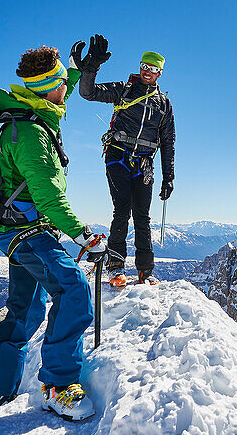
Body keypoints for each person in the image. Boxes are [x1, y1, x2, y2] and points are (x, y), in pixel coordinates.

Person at [0, 44, 106, 421]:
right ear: (50, 86)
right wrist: (83, 235)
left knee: (25, 307)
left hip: (12, 227)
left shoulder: (27, 113)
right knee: (73, 288)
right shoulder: (31, 133)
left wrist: (78, 69)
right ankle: (59, 386)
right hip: (27, 230)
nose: (68, 87)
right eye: (64, 81)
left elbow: (57, 97)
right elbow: (47, 196)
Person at [75, 35, 175, 286]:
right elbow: (88, 93)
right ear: (140, 67)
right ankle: (116, 267)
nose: (147, 72)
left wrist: (169, 176)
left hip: (144, 163)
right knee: (122, 210)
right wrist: (92, 67)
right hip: (118, 155)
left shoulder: (163, 104)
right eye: (144, 66)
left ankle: (145, 271)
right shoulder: (124, 89)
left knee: (142, 215)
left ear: (160, 73)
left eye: (153, 69)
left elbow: (168, 142)